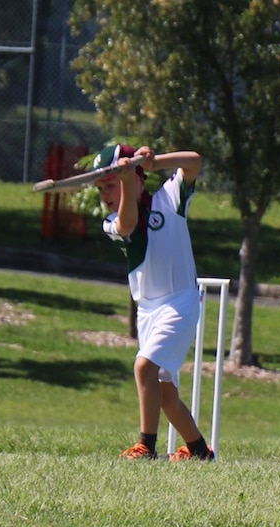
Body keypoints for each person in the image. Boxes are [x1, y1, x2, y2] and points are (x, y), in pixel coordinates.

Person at [92, 143, 213, 461]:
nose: (106, 193)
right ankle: (200, 452)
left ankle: (146, 445)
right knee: (164, 394)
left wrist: (155, 161)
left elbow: (193, 161)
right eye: (102, 187)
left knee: (144, 367)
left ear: (140, 178)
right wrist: (126, 177)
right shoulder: (111, 222)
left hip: (180, 302)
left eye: (110, 184)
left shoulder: (169, 199)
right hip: (147, 311)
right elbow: (129, 223)